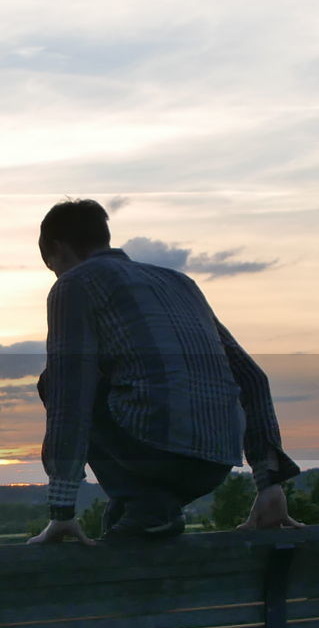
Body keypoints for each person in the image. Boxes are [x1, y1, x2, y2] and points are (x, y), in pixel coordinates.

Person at [26, 199, 304, 545]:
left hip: (156, 451)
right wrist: (269, 483)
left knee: (53, 380)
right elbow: (251, 377)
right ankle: (143, 511)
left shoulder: (75, 284)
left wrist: (62, 510)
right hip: (216, 461)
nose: (57, 275)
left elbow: (70, 389)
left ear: (55, 248)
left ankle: (149, 508)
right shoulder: (180, 282)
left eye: (52, 266)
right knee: (123, 518)